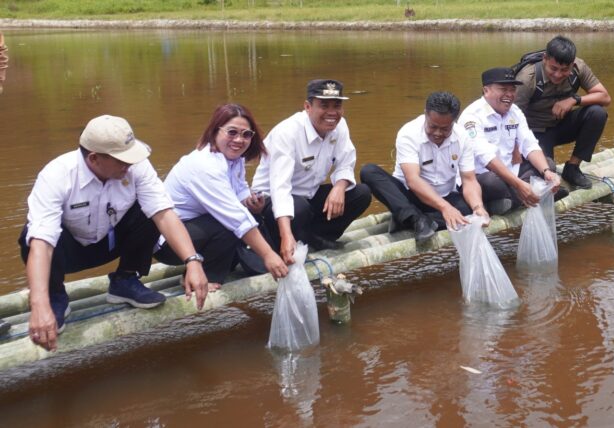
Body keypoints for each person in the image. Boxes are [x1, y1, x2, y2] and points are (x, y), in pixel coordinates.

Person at [19, 115, 209, 351]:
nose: (129, 165)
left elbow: (164, 213)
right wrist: (38, 304)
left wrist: (192, 261)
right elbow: (42, 244)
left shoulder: (135, 167)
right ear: (94, 158)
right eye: (122, 160)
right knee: (31, 236)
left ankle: (125, 280)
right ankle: (55, 295)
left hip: (109, 244)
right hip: (68, 253)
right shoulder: (57, 175)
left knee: (149, 210)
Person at [155, 104, 289, 284]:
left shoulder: (234, 158)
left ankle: (225, 265)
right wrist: (268, 255)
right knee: (229, 224)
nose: (239, 140)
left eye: (246, 134)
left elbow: (240, 188)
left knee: (250, 215)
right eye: (232, 132)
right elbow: (235, 217)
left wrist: (249, 201)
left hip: (198, 228)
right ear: (215, 131)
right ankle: (201, 278)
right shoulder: (205, 165)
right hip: (171, 242)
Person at [251, 79, 372, 264]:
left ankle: (314, 237)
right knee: (299, 207)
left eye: (337, 106)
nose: (332, 113)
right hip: (271, 204)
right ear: (308, 107)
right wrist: (286, 235)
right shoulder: (288, 132)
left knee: (361, 194)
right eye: (324, 105)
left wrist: (339, 187)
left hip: (307, 197)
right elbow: (280, 188)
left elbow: (346, 162)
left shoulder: (340, 126)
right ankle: (287, 240)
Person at [360, 91, 490, 243]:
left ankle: (411, 219)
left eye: (445, 129)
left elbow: (469, 180)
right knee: (369, 172)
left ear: (454, 122)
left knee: (468, 213)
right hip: (410, 196)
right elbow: (412, 180)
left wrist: (478, 207)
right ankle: (415, 218)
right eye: (433, 126)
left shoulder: (463, 137)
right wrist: (445, 208)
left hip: (445, 195)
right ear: (426, 114)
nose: (437, 133)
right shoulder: (408, 133)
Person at [458, 67, 564, 215]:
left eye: (512, 89)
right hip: (484, 175)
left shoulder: (515, 111)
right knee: (491, 182)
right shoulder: (472, 116)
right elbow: (487, 158)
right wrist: (519, 185)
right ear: (486, 90)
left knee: (548, 164)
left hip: (511, 172)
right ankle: (531, 196)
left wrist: (546, 172)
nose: (509, 94)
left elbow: (529, 144)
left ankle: (510, 201)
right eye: (503, 89)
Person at [514, 35, 611, 189]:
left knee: (597, 113)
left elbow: (605, 97)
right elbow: (511, 119)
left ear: (572, 64)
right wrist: (516, 151)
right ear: (545, 59)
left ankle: (572, 168)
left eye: (565, 70)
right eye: (553, 68)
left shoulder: (579, 67)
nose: (558, 75)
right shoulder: (527, 78)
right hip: (536, 132)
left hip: (561, 125)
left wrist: (574, 100)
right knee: (547, 171)